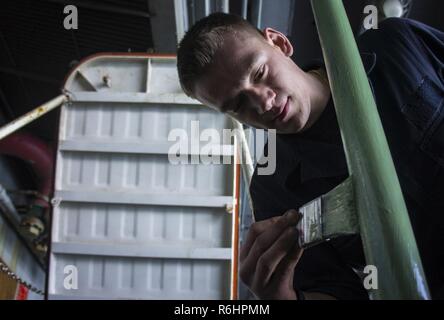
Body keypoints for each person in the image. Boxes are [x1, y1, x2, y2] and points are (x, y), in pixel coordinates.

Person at [177, 12, 444, 299]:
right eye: (238, 103)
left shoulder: (395, 44)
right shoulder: (273, 194)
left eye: (259, 73)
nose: (264, 102)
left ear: (279, 43)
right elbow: (340, 292)